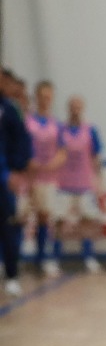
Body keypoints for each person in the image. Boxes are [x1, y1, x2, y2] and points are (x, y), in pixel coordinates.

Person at [55, 95, 104, 273]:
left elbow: (96, 156)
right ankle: (54, 258)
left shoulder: (90, 130)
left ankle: (89, 257)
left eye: (78, 107)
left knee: (87, 222)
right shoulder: (60, 130)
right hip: (64, 183)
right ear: (68, 109)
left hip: (84, 183)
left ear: (82, 108)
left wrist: (98, 180)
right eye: (72, 107)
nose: (75, 110)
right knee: (59, 221)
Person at [23, 81, 65, 277]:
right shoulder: (27, 121)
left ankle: (43, 258)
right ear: (36, 97)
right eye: (43, 95)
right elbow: (20, 145)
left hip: (48, 177)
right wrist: (27, 161)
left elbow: (63, 151)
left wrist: (51, 164)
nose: (46, 99)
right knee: (19, 216)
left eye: (49, 96)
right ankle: (10, 259)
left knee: (45, 217)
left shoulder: (56, 124)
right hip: (28, 176)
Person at [1, 69, 33, 296]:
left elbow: (21, 141)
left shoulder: (9, 109)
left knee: (8, 225)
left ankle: (12, 275)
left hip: (3, 177)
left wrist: (16, 171)